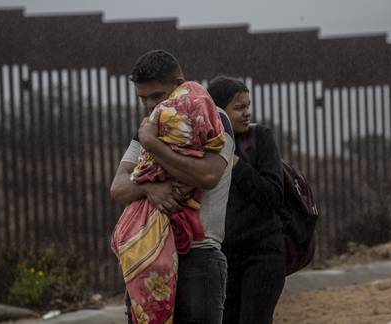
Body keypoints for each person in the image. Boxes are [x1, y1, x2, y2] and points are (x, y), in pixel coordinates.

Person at [110, 50, 235, 324]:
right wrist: (148, 189)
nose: (149, 105)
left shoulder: (212, 118)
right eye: (142, 98)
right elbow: (118, 187)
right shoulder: (149, 126)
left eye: (156, 96)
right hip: (148, 257)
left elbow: (208, 175)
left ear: (179, 84)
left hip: (199, 255)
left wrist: (153, 145)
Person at [208, 76, 286, 324]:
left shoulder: (259, 138)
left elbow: (273, 195)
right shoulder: (205, 147)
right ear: (218, 112)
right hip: (226, 258)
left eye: (248, 106)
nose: (247, 113)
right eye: (239, 107)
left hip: (263, 253)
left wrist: (236, 164)